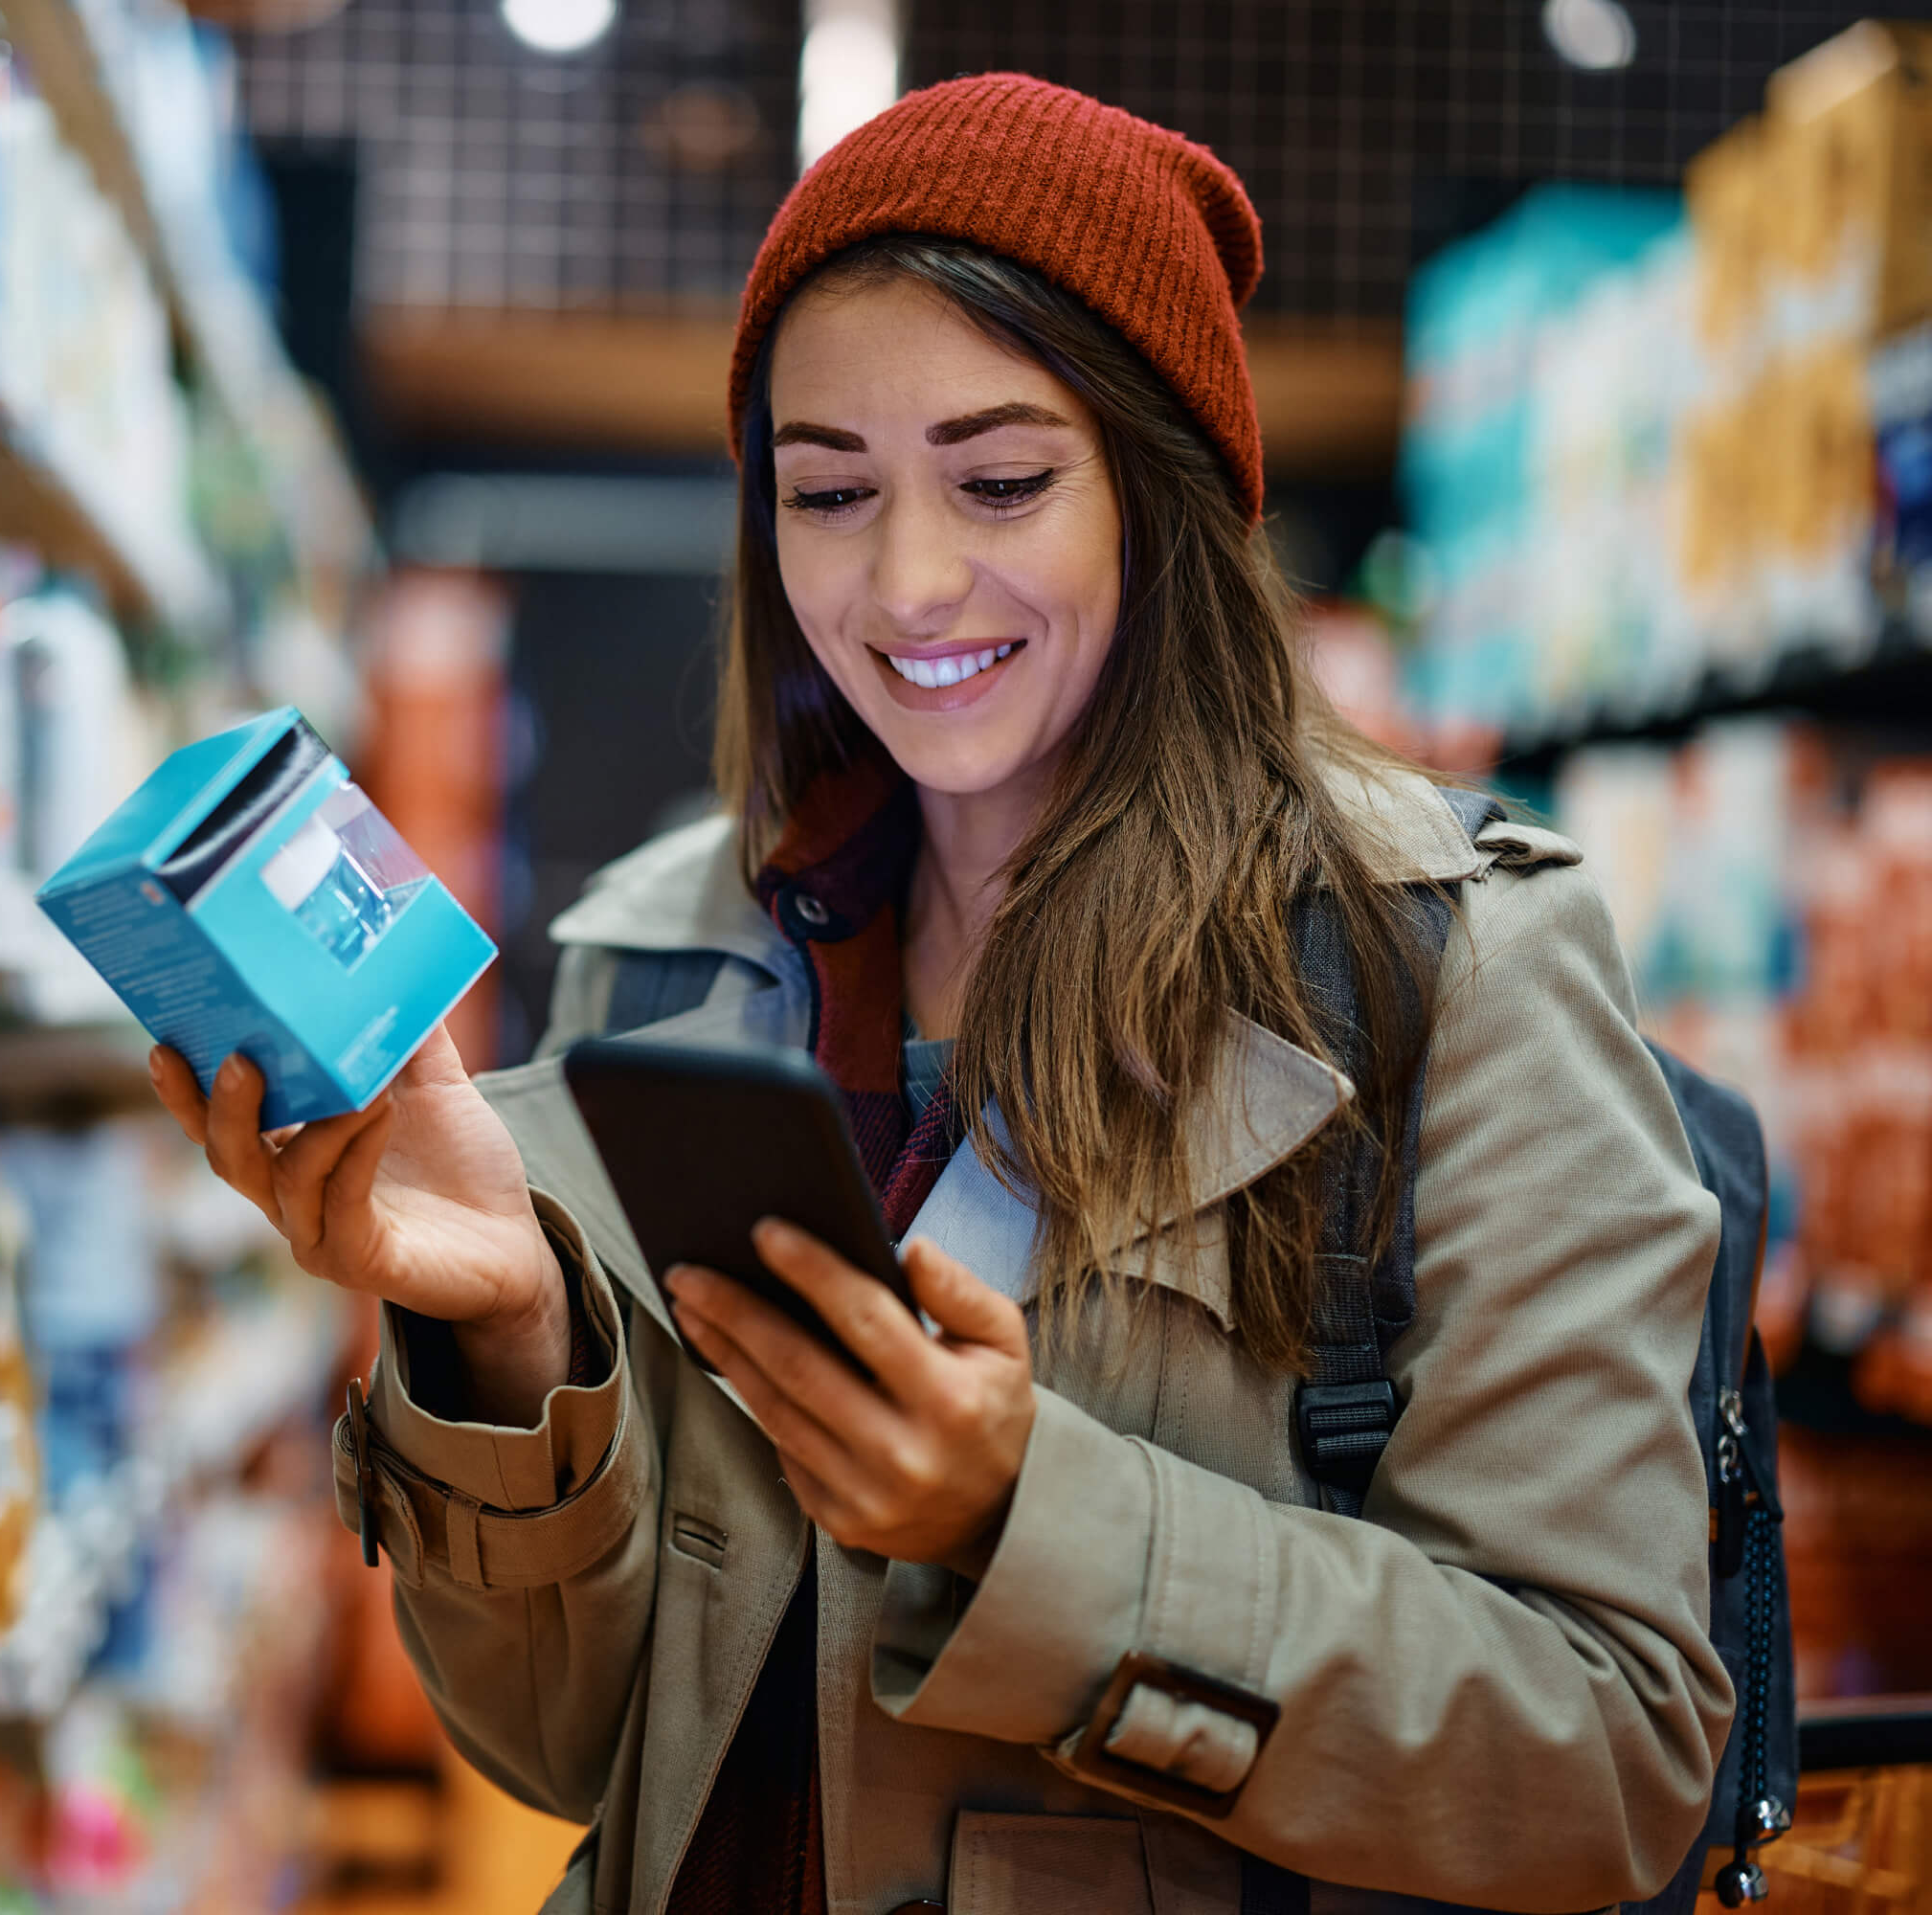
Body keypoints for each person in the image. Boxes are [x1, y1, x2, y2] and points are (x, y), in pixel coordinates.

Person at [149, 74, 1733, 1915]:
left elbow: (1611, 1760)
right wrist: (513, 1343)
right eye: (828, 490)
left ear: (1165, 491)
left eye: (1001, 480)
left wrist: (1021, 1526)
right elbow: (569, 1750)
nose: (905, 581)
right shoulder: (665, 947)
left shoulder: (1444, 970)